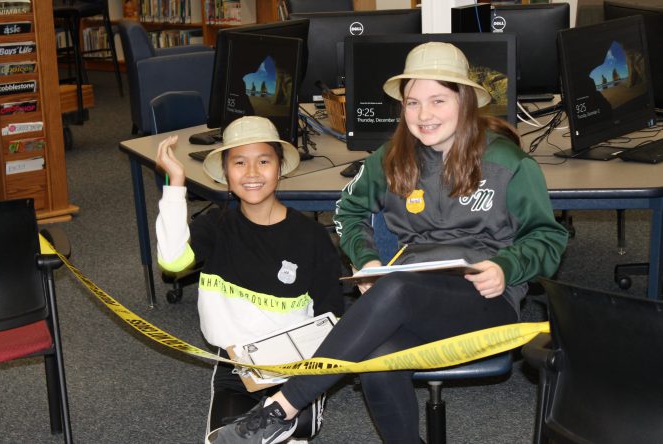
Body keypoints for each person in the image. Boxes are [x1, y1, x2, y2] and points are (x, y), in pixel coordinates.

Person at [206, 42, 569, 444]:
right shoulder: (390, 158)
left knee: (395, 289)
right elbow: (348, 211)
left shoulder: (511, 164)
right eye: (412, 103)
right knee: (378, 359)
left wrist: (507, 267)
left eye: (437, 101)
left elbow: (549, 238)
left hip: (484, 303)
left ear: (465, 102)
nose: (424, 115)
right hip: (411, 295)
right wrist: (367, 261)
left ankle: (284, 407)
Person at [155, 116, 344, 441]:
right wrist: (175, 183)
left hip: (295, 373)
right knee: (225, 439)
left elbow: (331, 316)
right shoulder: (216, 226)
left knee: (288, 431)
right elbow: (172, 263)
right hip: (236, 370)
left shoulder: (310, 237)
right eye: (240, 163)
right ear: (226, 174)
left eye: (264, 161)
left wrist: (309, 377)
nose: (253, 173)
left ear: (281, 167)